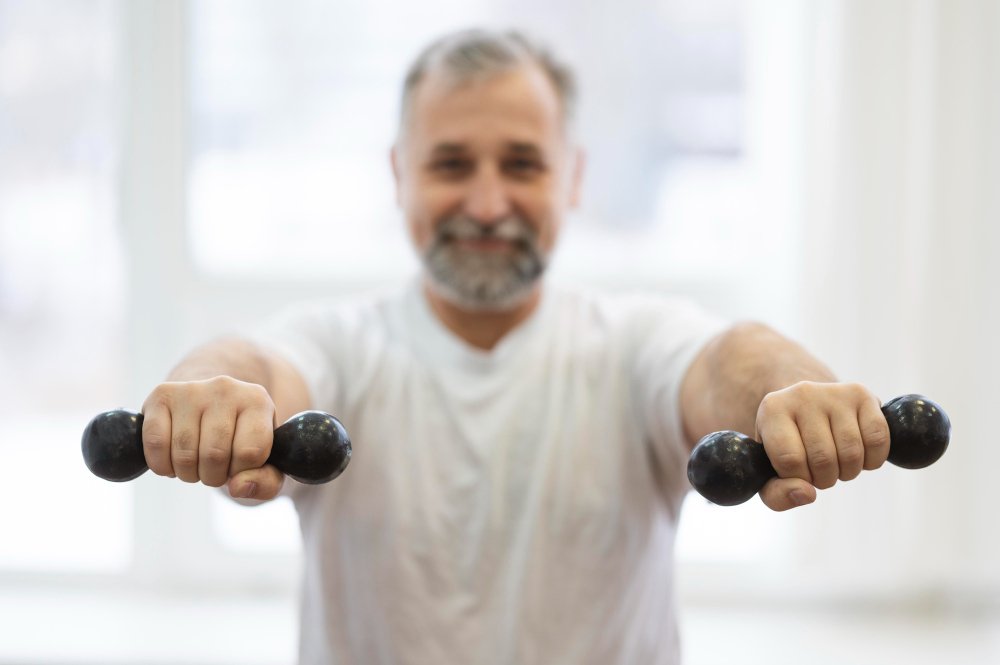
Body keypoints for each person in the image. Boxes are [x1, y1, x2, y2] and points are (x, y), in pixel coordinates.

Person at [140, 29, 891, 664]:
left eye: (523, 164)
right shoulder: (340, 343)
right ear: (401, 175)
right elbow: (258, 367)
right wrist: (212, 388)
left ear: (573, 178)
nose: (489, 203)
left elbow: (731, 358)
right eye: (451, 164)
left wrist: (784, 392)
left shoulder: (632, 341)